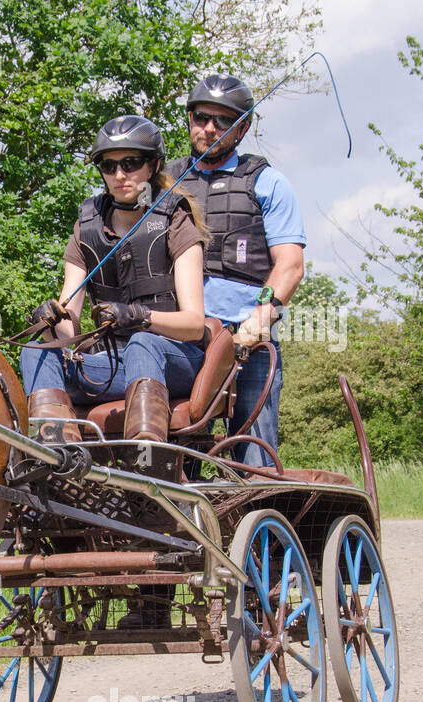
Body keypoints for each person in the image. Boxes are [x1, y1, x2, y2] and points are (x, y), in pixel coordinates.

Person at [21, 115, 209, 445]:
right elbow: (70, 327)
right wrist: (51, 321)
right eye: (109, 166)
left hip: (170, 360)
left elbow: (195, 325)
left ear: (153, 166)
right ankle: (57, 457)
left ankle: (148, 459)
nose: (119, 175)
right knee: (37, 349)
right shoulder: (87, 226)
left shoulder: (175, 220)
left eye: (131, 163)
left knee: (142, 343)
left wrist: (141, 318)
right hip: (107, 366)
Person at [167, 73, 306, 469]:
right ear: (190, 118)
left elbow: (290, 266)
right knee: (174, 452)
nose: (209, 127)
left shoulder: (269, 183)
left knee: (252, 452)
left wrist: (259, 319)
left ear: (242, 127)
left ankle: (259, 512)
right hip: (185, 338)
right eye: (201, 117)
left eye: (223, 120)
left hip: (249, 340)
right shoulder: (164, 184)